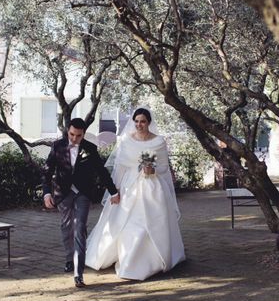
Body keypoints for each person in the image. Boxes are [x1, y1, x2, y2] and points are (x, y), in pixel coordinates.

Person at [85, 108, 185, 280]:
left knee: (154, 221)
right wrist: (114, 191)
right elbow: (120, 168)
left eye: (143, 121)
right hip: (129, 187)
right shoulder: (125, 140)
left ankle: (154, 260)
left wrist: (152, 169)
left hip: (153, 187)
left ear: (149, 122)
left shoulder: (159, 142)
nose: (139, 125)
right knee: (127, 224)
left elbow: (163, 167)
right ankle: (128, 258)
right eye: (137, 121)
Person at [42, 118, 120, 288]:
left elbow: (101, 171)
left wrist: (113, 191)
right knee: (66, 226)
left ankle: (79, 273)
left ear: (84, 134)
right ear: (67, 131)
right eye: (71, 134)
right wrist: (46, 193)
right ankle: (69, 258)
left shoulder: (90, 149)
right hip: (63, 193)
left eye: (78, 135)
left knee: (80, 228)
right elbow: (47, 172)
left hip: (83, 193)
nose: (74, 138)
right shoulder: (57, 146)